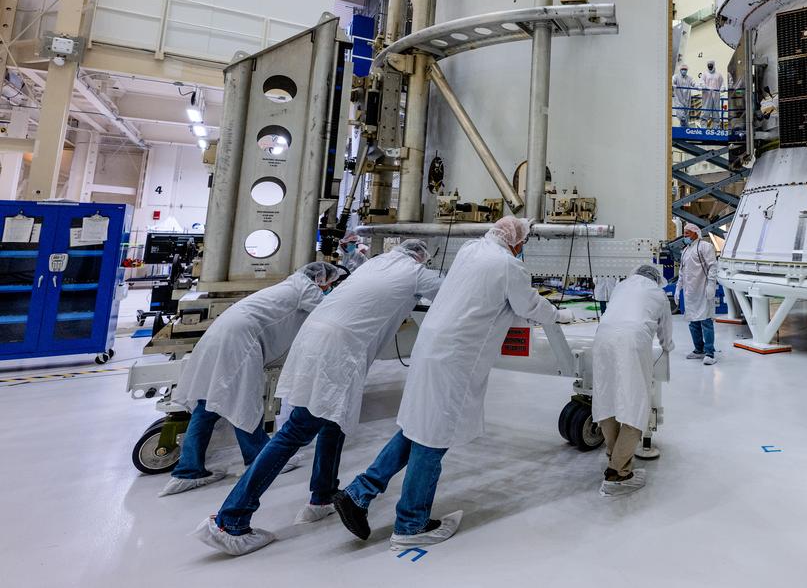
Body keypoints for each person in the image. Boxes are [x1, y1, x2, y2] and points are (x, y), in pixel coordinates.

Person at [331, 216, 573, 550]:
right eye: (523, 243)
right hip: (455, 358)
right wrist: (560, 315)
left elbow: (483, 297)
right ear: (516, 242)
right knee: (433, 437)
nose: (522, 249)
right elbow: (527, 304)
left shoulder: (470, 250)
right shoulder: (508, 266)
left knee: (416, 427)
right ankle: (411, 523)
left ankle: (359, 493)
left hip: (431, 347)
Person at [196, 240, 443, 556]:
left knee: (332, 423)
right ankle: (231, 520)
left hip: (314, 340)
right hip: (337, 352)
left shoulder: (376, 264)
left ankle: (322, 496)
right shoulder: (416, 273)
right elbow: (453, 294)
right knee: (294, 433)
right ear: (422, 258)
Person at [161, 261, 340, 497]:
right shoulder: (305, 289)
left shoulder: (291, 285)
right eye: (329, 283)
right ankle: (257, 457)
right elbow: (332, 312)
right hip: (240, 340)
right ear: (320, 279)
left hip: (222, 332)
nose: (329, 287)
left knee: (208, 404)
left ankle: (187, 471)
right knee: (241, 399)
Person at [591, 264, 674, 496]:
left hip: (603, 338)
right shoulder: (659, 294)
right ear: (657, 279)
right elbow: (665, 334)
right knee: (635, 405)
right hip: (633, 341)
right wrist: (668, 348)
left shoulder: (621, 286)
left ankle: (614, 454)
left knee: (605, 397)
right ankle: (618, 472)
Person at [676, 223, 718, 365]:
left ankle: (710, 353)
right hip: (690, 293)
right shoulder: (686, 250)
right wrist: (678, 288)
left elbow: (713, 266)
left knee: (706, 321)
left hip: (703, 290)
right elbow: (682, 272)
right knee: (693, 322)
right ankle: (698, 350)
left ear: (695, 233)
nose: (685, 236)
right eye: (684, 233)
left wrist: (711, 285)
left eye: (687, 233)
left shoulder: (705, 247)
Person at [671, 63, 698, 127]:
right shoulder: (676, 77)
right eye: (682, 69)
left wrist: (698, 87)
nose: (684, 71)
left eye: (685, 69)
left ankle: (683, 128)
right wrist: (673, 85)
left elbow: (694, 83)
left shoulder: (689, 78)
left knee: (686, 116)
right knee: (681, 116)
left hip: (687, 100)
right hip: (678, 99)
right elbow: (672, 81)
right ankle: (686, 128)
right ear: (680, 70)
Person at [701, 60, 725, 128]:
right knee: (705, 111)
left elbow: (722, 83)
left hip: (716, 96)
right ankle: (703, 128)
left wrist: (722, 88)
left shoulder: (718, 75)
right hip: (707, 96)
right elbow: (701, 83)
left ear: (713, 65)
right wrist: (705, 87)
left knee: (716, 112)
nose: (710, 67)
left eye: (711, 65)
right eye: (709, 65)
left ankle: (716, 128)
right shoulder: (704, 74)